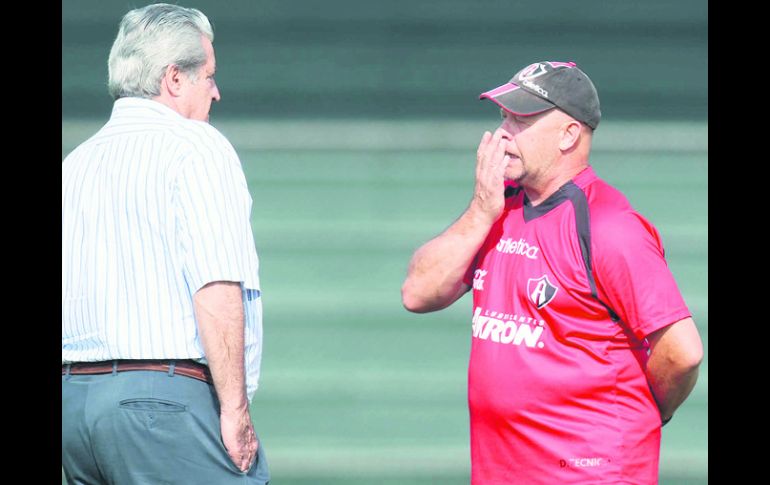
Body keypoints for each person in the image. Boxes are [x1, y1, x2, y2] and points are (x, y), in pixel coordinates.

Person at [401, 60, 703, 484]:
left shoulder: (608, 225)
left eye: (522, 120)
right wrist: (480, 211)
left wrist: (644, 412)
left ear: (568, 135)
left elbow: (683, 353)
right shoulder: (498, 207)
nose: (503, 133)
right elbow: (418, 293)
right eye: (503, 116)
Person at [61, 4, 269, 484]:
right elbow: (215, 285)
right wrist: (235, 410)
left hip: (76, 404)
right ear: (174, 78)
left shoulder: (76, 164)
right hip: (162, 404)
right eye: (209, 76)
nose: (216, 91)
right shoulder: (197, 146)